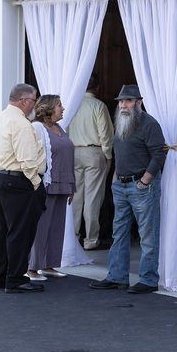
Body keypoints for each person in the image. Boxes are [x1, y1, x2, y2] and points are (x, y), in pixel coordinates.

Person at [89, 84, 166, 294]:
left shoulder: (150, 124)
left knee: (147, 235)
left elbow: (159, 154)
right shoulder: (121, 122)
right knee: (119, 233)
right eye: (121, 101)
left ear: (139, 102)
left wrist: (145, 181)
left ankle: (148, 280)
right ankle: (117, 277)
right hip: (121, 185)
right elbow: (119, 151)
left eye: (128, 101)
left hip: (142, 185)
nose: (123, 105)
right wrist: (115, 177)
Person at [0, 83, 46, 293]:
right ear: (24, 101)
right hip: (17, 180)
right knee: (20, 231)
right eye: (33, 100)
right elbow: (27, 159)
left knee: (1, 229)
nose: (34, 105)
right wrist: (37, 184)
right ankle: (16, 278)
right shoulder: (20, 123)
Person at [26, 94, 75, 282]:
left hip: (64, 184)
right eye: (59, 106)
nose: (62, 109)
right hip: (46, 184)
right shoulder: (38, 128)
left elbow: (68, 158)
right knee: (41, 227)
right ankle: (32, 268)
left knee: (57, 226)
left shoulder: (59, 128)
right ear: (48, 108)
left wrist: (72, 185)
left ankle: (49, 264)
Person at [67, 73, 114, 250]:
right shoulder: (98, 106)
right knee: (93, 197)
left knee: (76, 196)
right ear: (98, 87)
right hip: (94, 152)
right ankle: (91, 240)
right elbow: (106, 135)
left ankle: (73, 236)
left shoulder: (73, 105)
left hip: (74, 151)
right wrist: (108, 155)